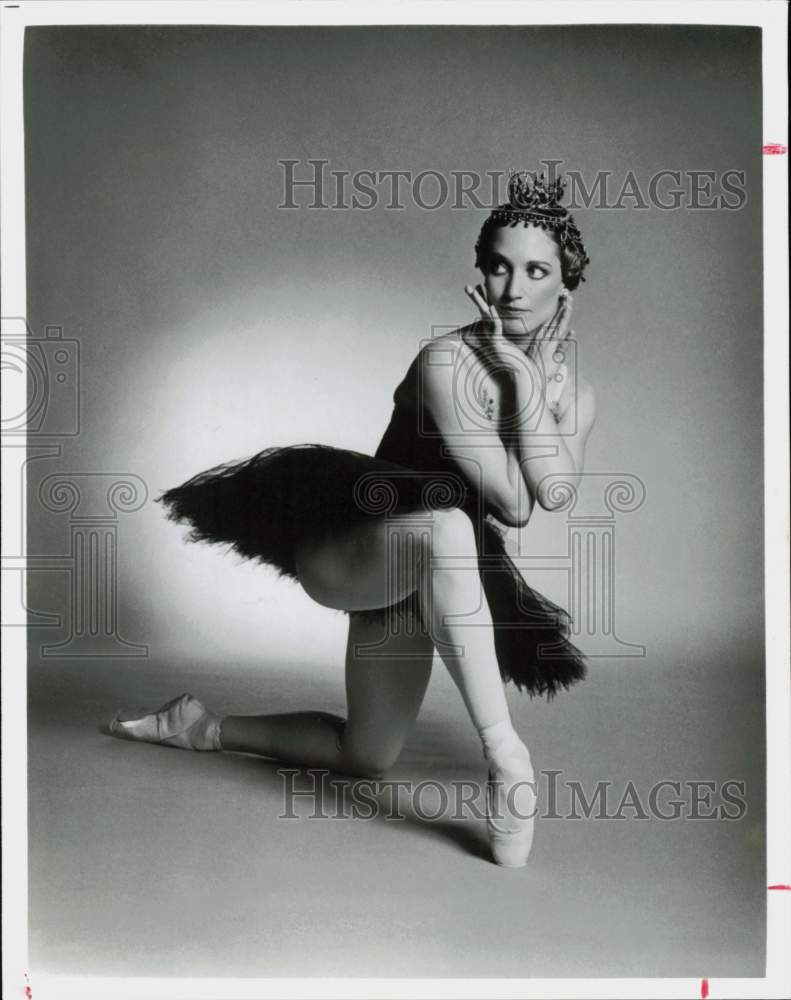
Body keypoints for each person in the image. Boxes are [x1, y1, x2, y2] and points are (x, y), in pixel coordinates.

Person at [109, 169, 597, 868]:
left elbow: (547, 496)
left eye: (534, 270)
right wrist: (519, 384)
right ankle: (506, 760)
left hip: (431, 570)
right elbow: (514, 505)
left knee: (366, 755)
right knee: (452, 526)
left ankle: (200, 728)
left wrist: (525, 383)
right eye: (496, 265)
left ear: (563, 287)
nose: (511, 287)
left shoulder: (574, 395)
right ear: (479, 274)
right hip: (355, 548)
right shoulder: (446, 361)